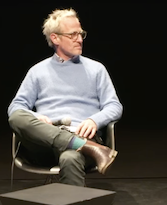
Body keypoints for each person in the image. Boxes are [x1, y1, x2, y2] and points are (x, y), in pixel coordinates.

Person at [8, 8, 123, 186]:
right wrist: (36, 117)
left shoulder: (96, 69)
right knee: (17, 117)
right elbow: (16, 108)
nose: (79, 39)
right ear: (55, 38)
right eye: (73, 35)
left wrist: (94, 120)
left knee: (70, 157)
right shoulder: (38, 71)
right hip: (44, 142)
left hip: (82, 134)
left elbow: (114, 106)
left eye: (81, 33)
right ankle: (86, 147)